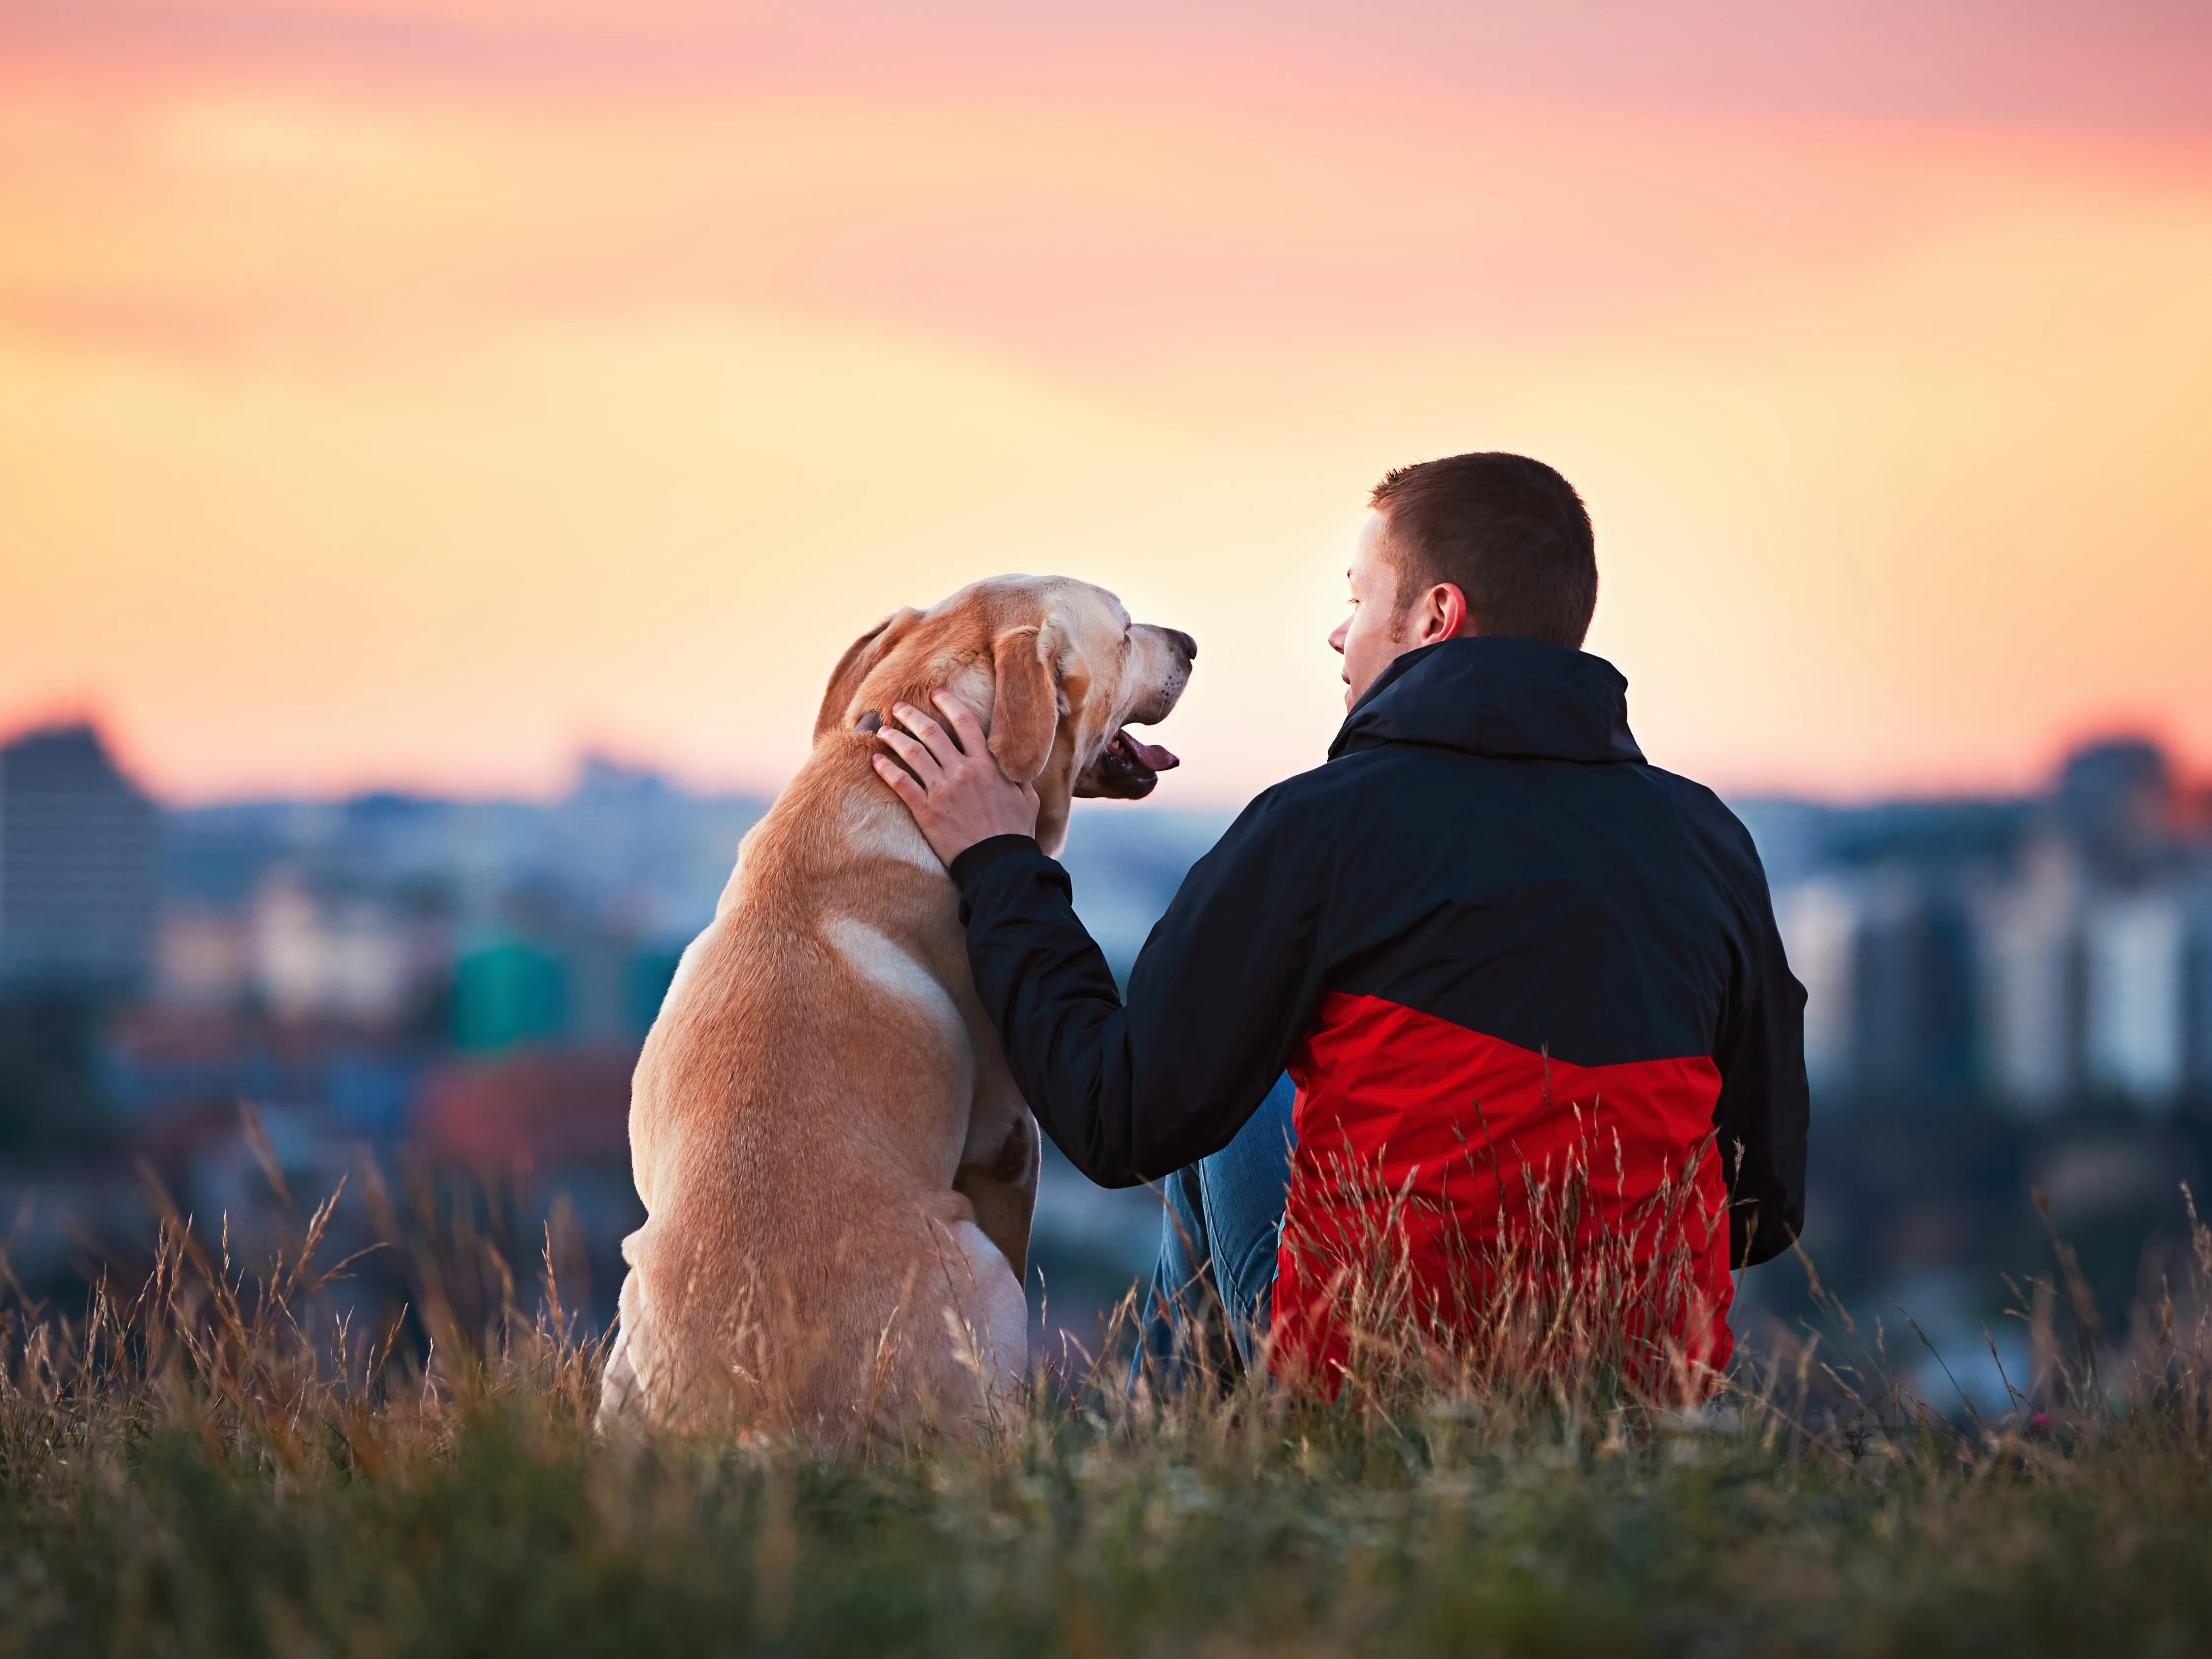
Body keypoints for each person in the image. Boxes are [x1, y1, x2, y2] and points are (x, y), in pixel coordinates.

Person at [870, 451, 1808, 1393]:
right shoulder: (1708, 844)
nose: (1336, 633)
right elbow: (1764, 1201)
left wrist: (1000, 862)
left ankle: (1173, 1483)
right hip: (1642, 1395)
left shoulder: (1318, 828)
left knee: (1224, 1105)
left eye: (1360, 598)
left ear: (1436, 617)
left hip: (1379, 1385)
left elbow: (1117, 1118)